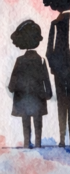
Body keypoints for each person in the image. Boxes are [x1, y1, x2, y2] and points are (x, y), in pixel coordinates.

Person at [43, 0, 70, 147]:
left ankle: (63, 139)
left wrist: (53, 67)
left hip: (60, 70)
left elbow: (49, 51)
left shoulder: (56, 24)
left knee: (62, 104)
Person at [9, 20, 51, 148]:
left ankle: (27, 143)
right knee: (38, 122)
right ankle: (38, 143)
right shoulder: (41, 60)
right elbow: (46, 79)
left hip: (23, 98)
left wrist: (12, 88)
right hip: (38, 98)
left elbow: (13, 81)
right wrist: (48, 94)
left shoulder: (20, 60)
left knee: (25, 121)